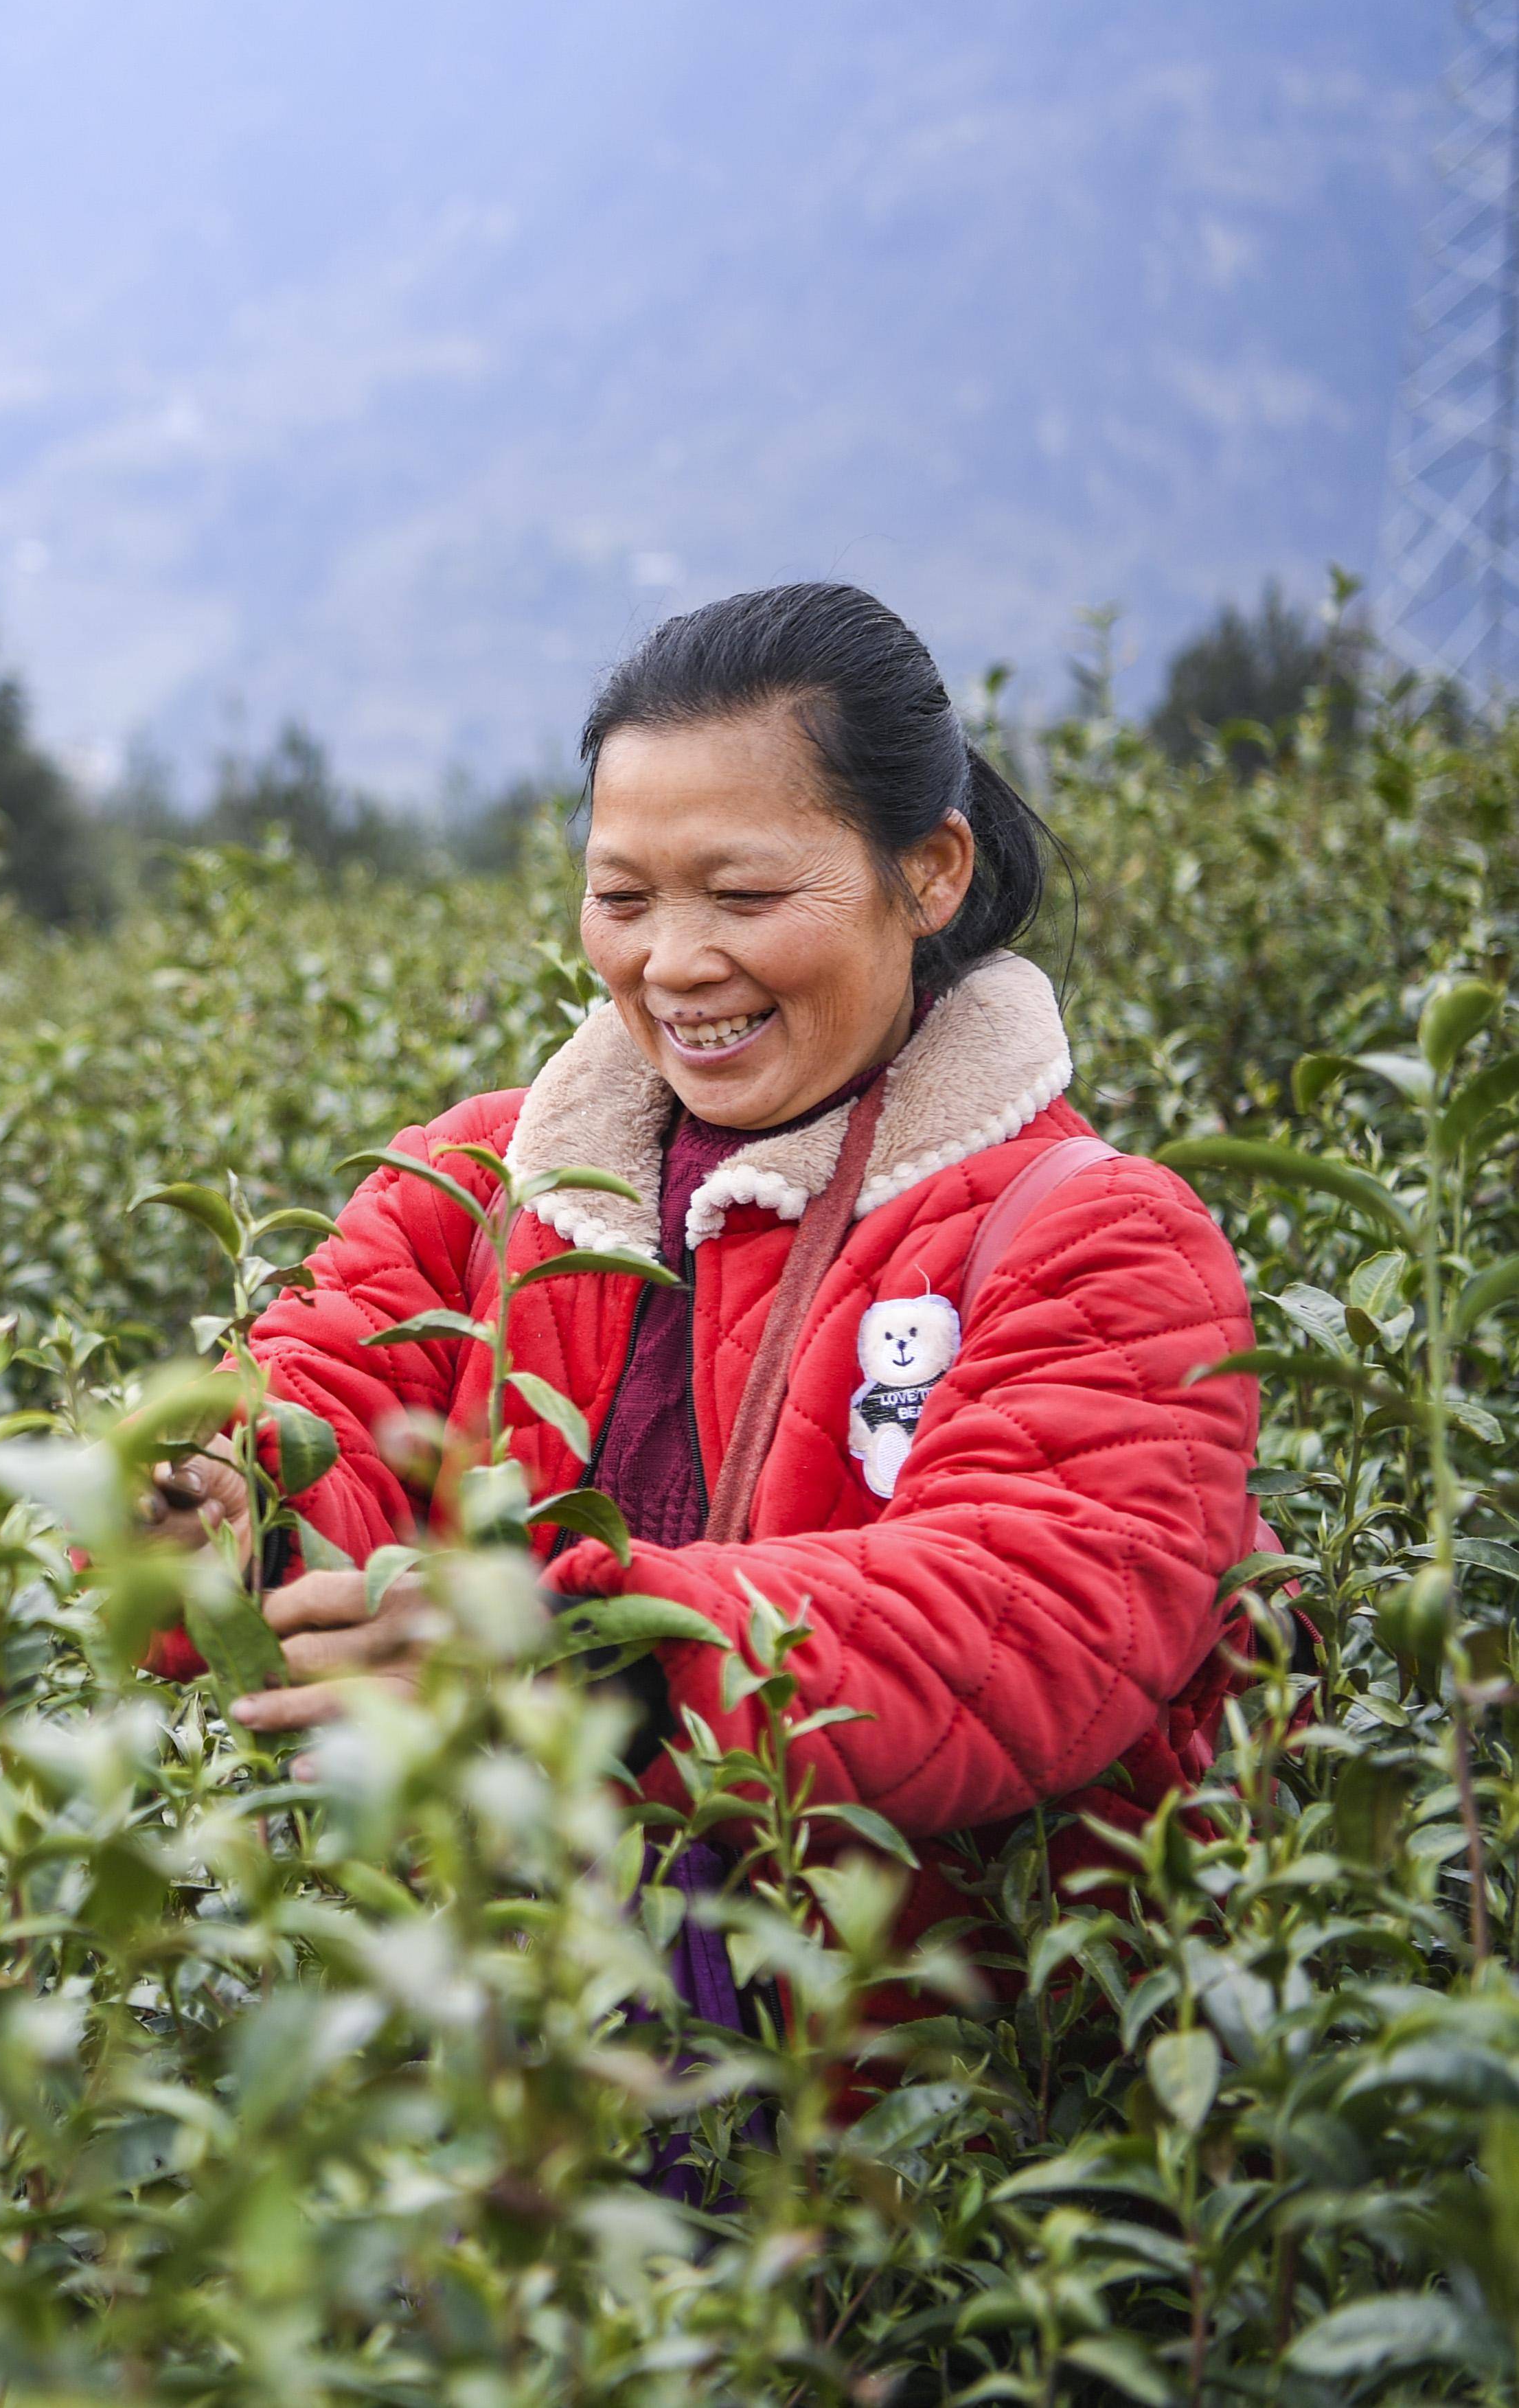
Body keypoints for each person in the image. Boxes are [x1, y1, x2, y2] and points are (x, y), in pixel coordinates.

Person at [146, 582, 1259, 1965]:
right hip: (542, 2091)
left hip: (926, 2122)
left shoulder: (1090, 1241)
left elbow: (1021, 1621)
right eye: (620, 899)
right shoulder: (480, 1188)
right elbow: (323, 1413)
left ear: (929, 870)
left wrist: (584, 1657)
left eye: (743, 895)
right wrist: (201, 1500)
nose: (671, 964)